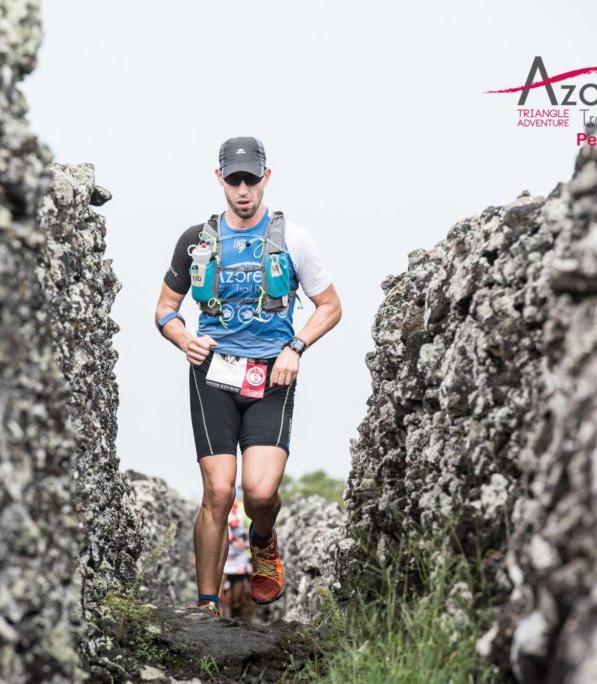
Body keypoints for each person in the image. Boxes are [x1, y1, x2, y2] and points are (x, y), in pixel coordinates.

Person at [153, 136, 342, 617]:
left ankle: (263, 540)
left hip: (271, 378)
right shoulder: (196, 241)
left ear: (266, 178)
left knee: (258, 491)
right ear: (219, 179)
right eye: (234, 179)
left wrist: (296, 347)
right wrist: (183, 338)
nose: (243, 189)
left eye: (251, 179)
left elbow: (330, 307)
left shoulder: (294, 239)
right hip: (212, 375)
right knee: (218, 491)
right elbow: (165, 310)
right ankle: (206, 606)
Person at [220, 489, 254, 620]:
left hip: (240, 559)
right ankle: (216, 623)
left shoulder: (245, 509)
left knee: (237, 601)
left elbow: (251, 529)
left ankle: (236, 623)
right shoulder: (217, 504)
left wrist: (245, 543)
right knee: (217, 598)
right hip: (221, 557)